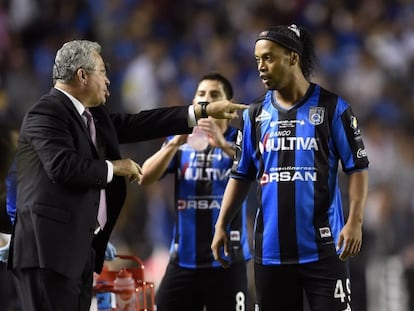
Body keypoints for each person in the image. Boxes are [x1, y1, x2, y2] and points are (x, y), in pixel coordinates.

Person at [7, 40, 247, 311]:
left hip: (76, 253)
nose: (108, 80)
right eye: (102, 71)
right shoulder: (46, 112)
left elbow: (137, 123)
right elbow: (63, 167)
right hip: (46, 254)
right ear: (82, 75)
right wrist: (116, 167)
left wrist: (199, 112)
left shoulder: (92, 117)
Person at [211, 24, 369, 311]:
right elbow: (240, 174)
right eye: (257, 60)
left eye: (268, 58)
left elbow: (357, 167)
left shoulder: (334, 109)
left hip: (324, 249)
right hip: (271, 253)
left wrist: (355, 220)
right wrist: (221, 224)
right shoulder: (254, 115)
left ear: (293, 58)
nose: (261, 67)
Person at [140, 73, 252, 311]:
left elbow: (256, 167)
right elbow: (145, 176)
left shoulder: (240, 139)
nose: (207, 100)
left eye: (214, 95)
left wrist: (222, 144)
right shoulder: (180, 140)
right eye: (201, 95)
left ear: (228, 104)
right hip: (183, 261)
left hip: (227, 261)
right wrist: (173, 144)